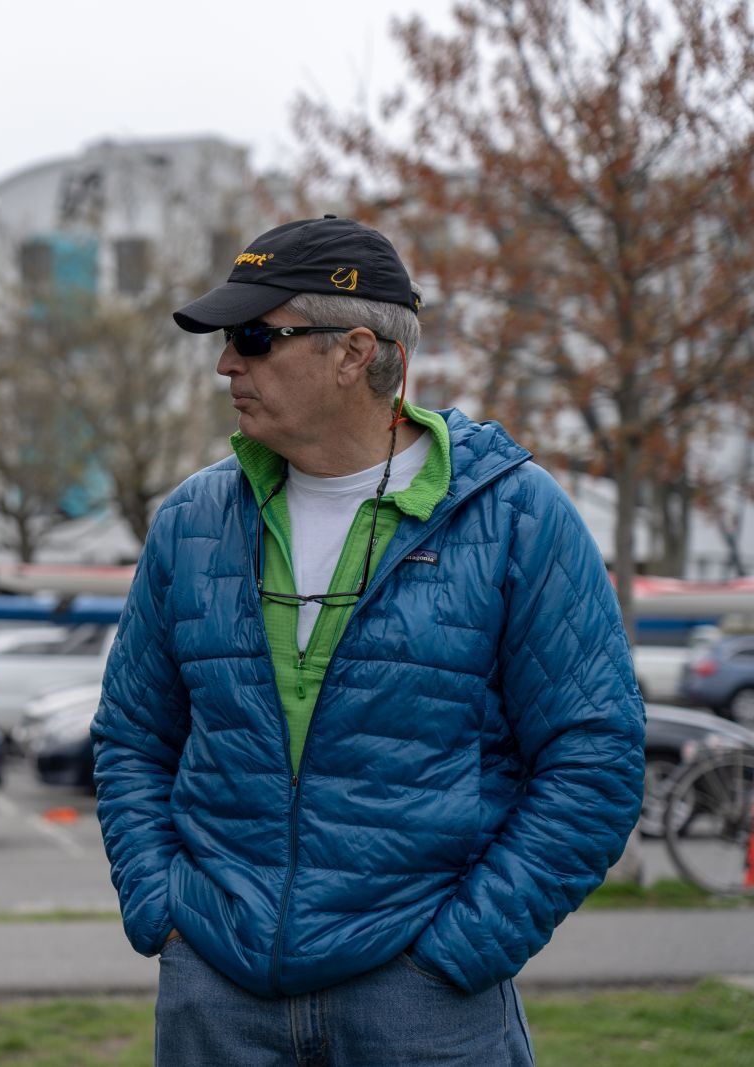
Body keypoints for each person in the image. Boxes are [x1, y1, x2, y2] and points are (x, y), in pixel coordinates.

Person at [92, 216, 644, 1065]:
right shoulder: (192, 521)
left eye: (253, 337)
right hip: (217, 993)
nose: (225, 364)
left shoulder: (516, 517)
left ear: (354, 351)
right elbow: (133, 736)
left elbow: (594, 762)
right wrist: (162, 914)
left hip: (423, 1000)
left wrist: (457, 952)